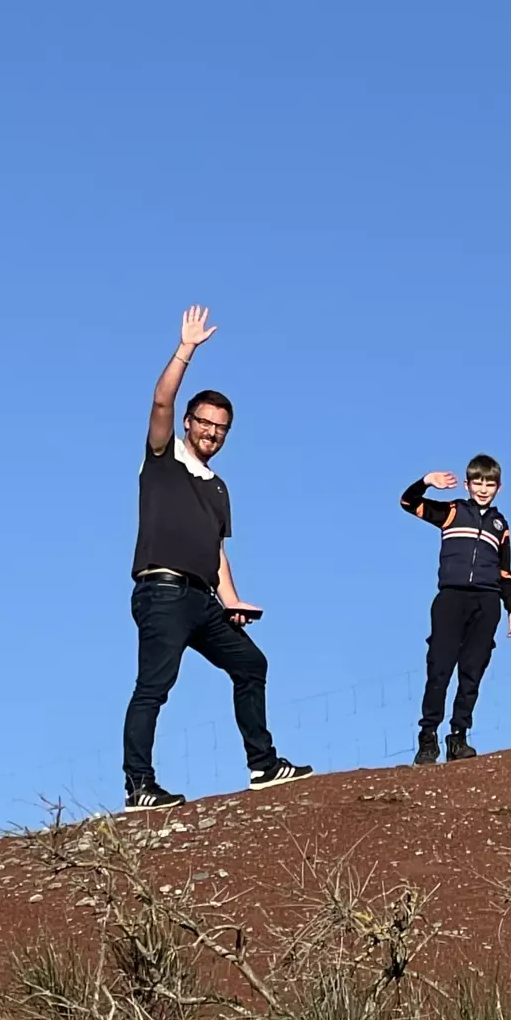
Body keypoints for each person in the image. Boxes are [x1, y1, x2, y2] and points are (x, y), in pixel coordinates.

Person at [122, 306, 310, 810]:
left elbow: (217, 552)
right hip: (161, 591)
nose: (211, 432)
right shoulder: (163, 457)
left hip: (203, 600)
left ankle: (264, 765)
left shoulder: (219, 487)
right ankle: (138, 785)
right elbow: (160, 400)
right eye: (204, 423)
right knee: (155, 686)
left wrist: (231, 601)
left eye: (221, 428)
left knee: (251, 663)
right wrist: (186, 349)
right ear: (188, 423)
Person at [399, 458, 511, 764]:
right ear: (467, 485)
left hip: (487, 601)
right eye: (477, 483)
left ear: (498, 488)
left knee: (473, 671)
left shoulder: (500, 525)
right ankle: (428, 739)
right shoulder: (451, 511)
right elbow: (407, 502)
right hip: (451, 598)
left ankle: (459, 737)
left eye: (489, 484)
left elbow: (505, 572)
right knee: (439, 667)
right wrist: (426, 480)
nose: (483, 489)